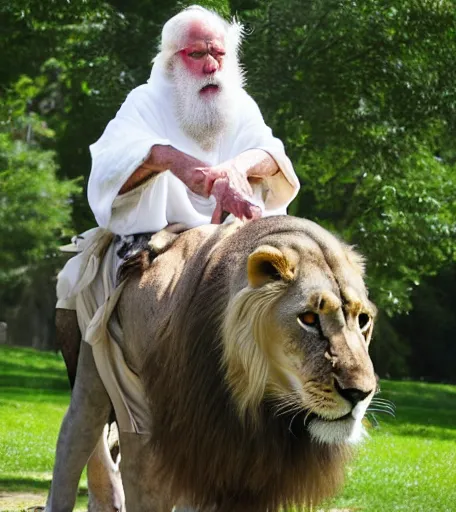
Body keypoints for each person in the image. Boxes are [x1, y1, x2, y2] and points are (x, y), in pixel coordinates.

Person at [46, 5, 299, 511]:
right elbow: (111, 164)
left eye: (218, 54)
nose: (210, 64)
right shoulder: (146, 100)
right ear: (172, 60)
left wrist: (236, 167)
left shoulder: (237, 101)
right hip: (147, 247)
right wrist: (172, 162)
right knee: (75, 289)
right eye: (197, 53)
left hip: (225, 254)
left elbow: (273, 154)